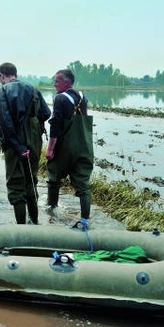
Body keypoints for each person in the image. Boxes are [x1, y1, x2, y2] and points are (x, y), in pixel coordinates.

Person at [0, 62, 50, 224]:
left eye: (0, 79)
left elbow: (5, 121)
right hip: (34, 139)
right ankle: (35, 222)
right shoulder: (33, 89)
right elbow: (46, 113)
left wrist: (18, 146)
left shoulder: (1, 92)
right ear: (15, 74)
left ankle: (21, 229)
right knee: (31, 179)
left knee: (16, 183)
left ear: (2, 76)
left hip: (14, 139)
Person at [45, 69, 94, 226]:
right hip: (85, 147)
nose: (54, 84)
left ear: (67, 82)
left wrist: (50, 149)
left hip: (65, 148)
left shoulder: (60, 99)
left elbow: (56, 126)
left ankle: (51, 210)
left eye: (57, 81)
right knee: (83, 185)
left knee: (54, 177)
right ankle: (85, 220)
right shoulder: (82, 97)